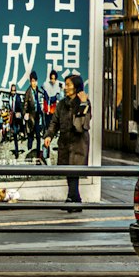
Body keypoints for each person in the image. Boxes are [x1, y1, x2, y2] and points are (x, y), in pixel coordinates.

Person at [44, 74, 91, 208]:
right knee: (69, 172)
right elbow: (54, 122)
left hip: (78, 142)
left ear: (76, 87)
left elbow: (81, 125)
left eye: (69, 85)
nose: (65, 88)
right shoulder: (61, 104)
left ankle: (72, 199)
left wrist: (83, 104)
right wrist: (49, 135)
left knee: (73, 172)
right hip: (65, 141)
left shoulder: (85, 102)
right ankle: (75, 199)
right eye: (65, 85)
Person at [23, 71, 48, 160]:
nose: (34, 83)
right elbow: (25, 104)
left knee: (38, 136)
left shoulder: (39, 90)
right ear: (30, 82)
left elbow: (43, 100)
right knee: (30, 136)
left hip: (38, 117)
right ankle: (29, 152)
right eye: (32, 81)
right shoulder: (28, 92)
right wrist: (25, 113)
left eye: (35, 81)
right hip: (31, 117)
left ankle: (38, 154)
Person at [7, 83, 24, 158]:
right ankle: (16, 152)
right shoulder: (9, 98)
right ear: (10, 91)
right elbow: (10, 107)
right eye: (12, 90)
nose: (13, 92)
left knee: (17, 131)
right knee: (14, 135)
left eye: (14, 90)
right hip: (12, 117)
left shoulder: (18, 97)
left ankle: (21, 132)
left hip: (18, 117)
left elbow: (20, 107)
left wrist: (19, 113)